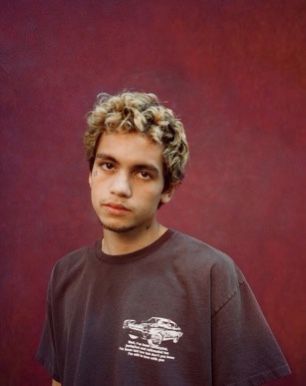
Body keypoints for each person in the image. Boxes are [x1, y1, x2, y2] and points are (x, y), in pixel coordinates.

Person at [36, 91, 291, 386]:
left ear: (168, 189)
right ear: (91, 173)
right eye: (108, 165)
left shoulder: (211, 275)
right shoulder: (66, 274)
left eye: (143, 173)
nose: (120, 187)